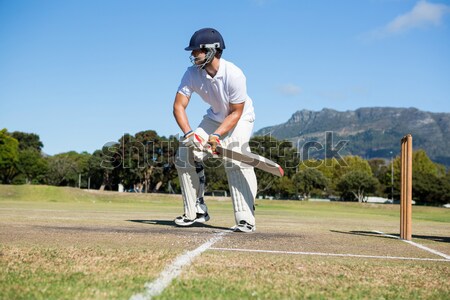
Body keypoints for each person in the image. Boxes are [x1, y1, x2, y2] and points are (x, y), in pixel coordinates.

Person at [173, 28, 257, 233]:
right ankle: (196, 210)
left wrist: (216, 137)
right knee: (184, 154)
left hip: (240, 117)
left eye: (196, 51)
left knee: (234, 158)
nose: (192, 55)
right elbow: (178, 107)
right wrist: (189, 134)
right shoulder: (192, 74)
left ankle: (246, 218)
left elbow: (236, 112)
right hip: (214, 116)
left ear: (211, 50)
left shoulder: (234, 74)